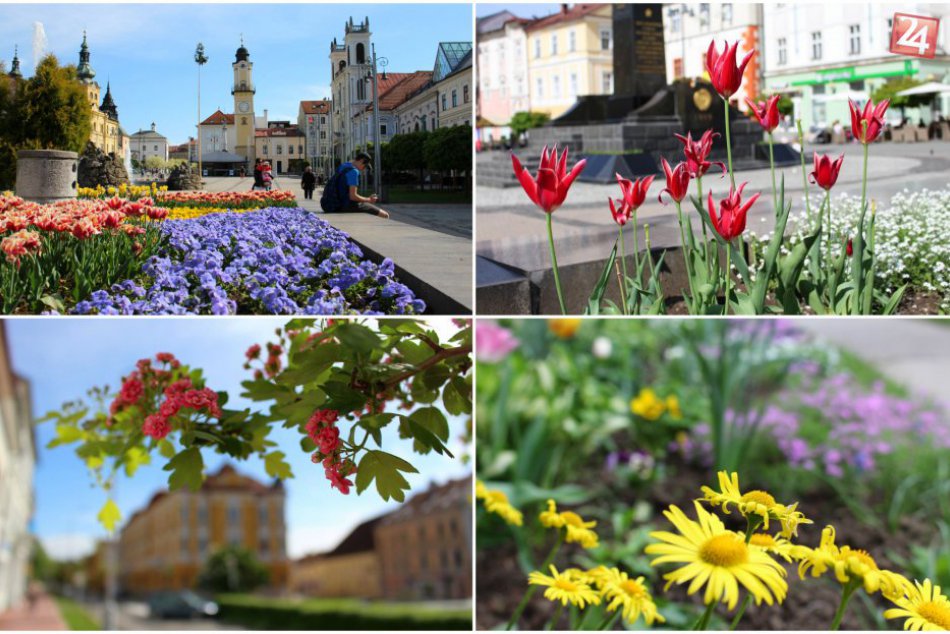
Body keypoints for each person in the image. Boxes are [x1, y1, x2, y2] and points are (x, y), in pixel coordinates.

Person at [336, 151, 390, 218]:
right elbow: (352, 196)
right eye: (364, 166)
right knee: (385, 215)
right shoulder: (353, 171)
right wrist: (369, 199)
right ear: (361, 161)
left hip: (333, 203)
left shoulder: (343, 166)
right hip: (344, 205)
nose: (363, 169)